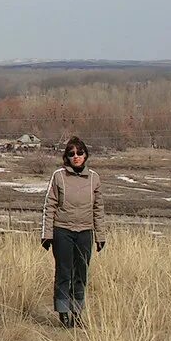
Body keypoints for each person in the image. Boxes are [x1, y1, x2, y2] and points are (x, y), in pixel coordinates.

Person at [40, 136, 104, 328]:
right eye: (71, 154)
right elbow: (49, 205)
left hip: (85, 232)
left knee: (81, 274)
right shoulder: (59, 176)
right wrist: (47, 234)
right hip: (63, 231)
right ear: (66, 157)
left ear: (85, 155)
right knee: (64, 273)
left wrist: (100, 236)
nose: (76, 157)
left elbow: (98, 209)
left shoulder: (94, 178)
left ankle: (77, 313)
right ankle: (63, 314)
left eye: (79, 153)